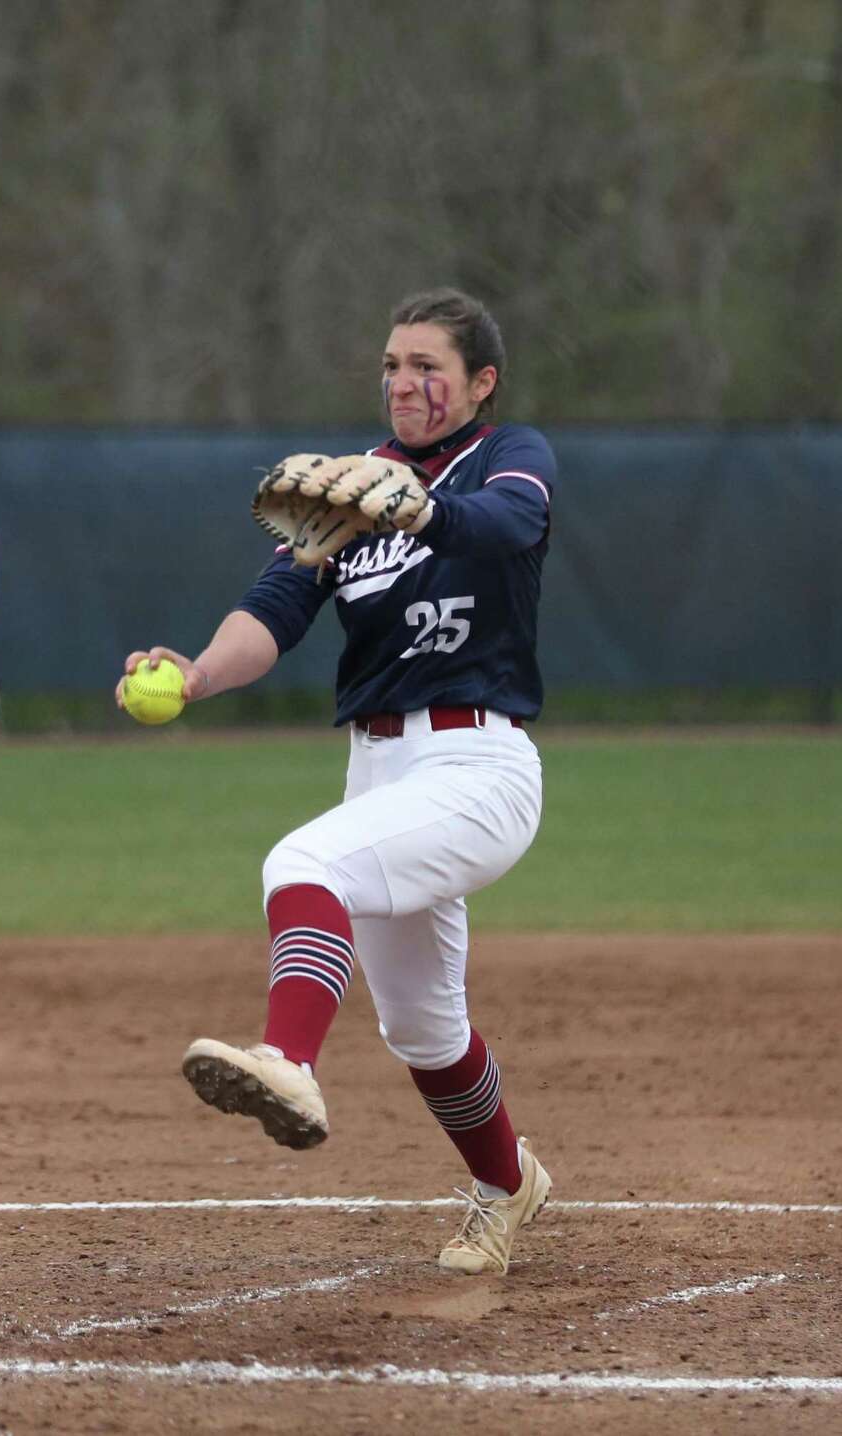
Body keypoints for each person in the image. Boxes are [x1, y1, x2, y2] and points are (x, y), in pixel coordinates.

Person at [118, 288, 555, 1275]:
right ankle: (506, 1182)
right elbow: (272, 610)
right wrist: (192, 673)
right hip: (384, 768)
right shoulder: (349, 486)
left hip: (478, 759)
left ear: (479, 383)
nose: (405, 382)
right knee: (422, 1023)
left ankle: (291, 1062)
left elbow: (506, 525)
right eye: (392, 365)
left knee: (303, 859)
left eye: (428, 365)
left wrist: (427, 505)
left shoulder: (509, 454)